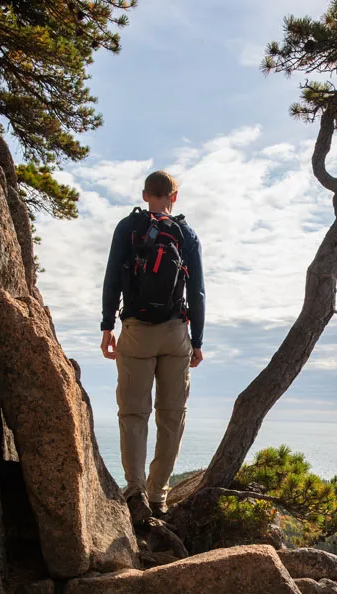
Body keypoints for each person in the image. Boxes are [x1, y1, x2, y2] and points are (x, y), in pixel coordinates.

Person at [100, 169, 205, 525]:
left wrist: (106, 327)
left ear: (146, 195)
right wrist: (198, 342)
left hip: (136, 330)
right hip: (176, 332)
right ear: (174, 198)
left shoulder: (127, 229)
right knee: (171, 416)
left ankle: (135, 492)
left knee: (134, 414)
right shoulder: (186, 234)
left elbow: (112, 277)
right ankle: (159, 496)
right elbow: (199, 292)